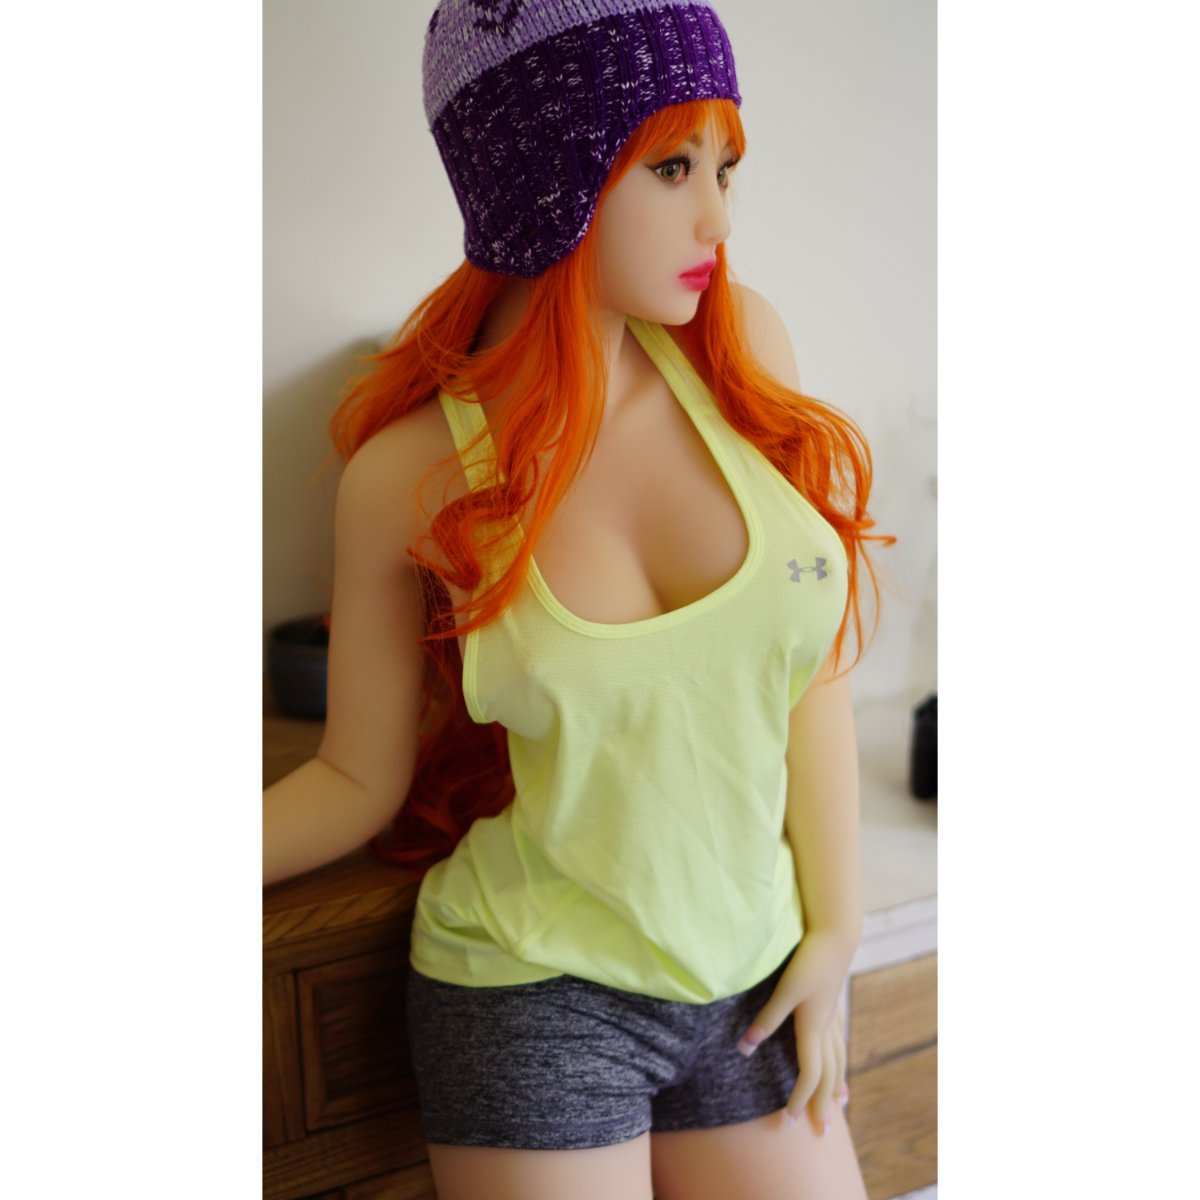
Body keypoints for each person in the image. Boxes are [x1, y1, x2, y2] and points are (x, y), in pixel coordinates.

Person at [264, 3, 891, 1196]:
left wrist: (836, 929)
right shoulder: (412, 474)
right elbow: (354, 777)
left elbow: (805, 665)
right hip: (536, 991)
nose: (718, 219)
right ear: (542, 183)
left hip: (755, 973)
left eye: (725, 168)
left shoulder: (740, 350)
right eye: (671, 168)